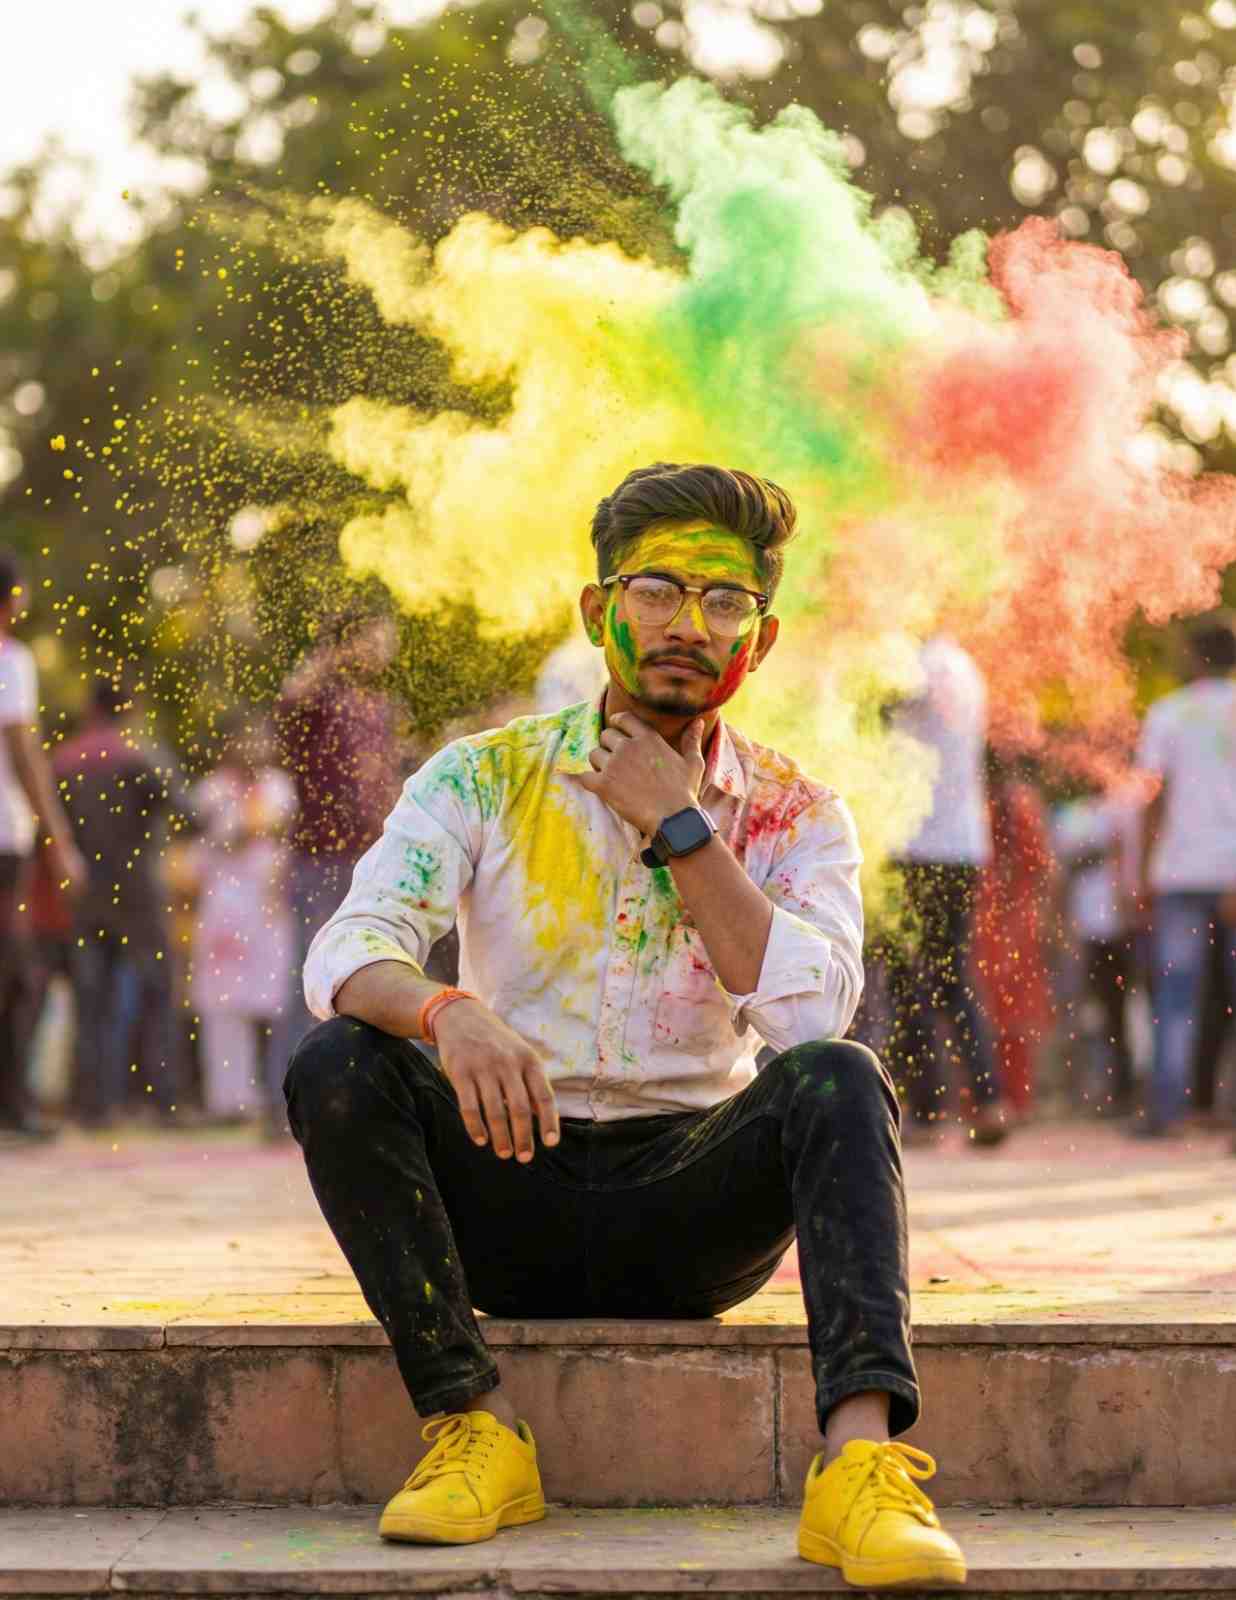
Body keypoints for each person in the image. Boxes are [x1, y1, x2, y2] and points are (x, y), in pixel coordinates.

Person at [285, 464, 968, 1588]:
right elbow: (347, 949)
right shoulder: (484, 776)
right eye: (657, 590)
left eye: (724, 600)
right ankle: (473, 1429)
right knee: (339, 1063)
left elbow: (811, 1015)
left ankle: (858, 1469)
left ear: (761, 638)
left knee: (840, 1076)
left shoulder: (797, 811)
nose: (688, 625)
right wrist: (449, 1011)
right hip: (508, 1177)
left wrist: (681, 826)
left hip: (694, 1210)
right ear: (597, 610)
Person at [270, 608, 401, 1118]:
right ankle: (287, 1100)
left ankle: (361, 1098)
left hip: (374, 858)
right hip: (321, 859)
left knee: (377, 972)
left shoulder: (376, 707)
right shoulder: (316, 701)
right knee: (310, 974)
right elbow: (286, 705)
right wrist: (327, 656)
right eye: (375, 638)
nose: (385, 650)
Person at [883, 635, 1006, 1146]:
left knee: (904, 976)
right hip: (962, 847)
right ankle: (988, 1100)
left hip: (913, 846)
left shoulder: (910, 665)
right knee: (952, 974)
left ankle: (928, 1109)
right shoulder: (965, 666)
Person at [54, 679, 189, 1127]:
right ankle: (163, 1101)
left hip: (85, 895)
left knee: (91, 998)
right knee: (157, 992)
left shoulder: (65, 759)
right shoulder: (140, 755)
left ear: (91, 708)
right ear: (129, 709)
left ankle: (93, 1104)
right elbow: (188, 811)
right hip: (140, 893)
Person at [1134, 616, 1236, 1138]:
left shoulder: (1169, 713)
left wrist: (1142, 870)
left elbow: (1153, 797)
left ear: (1196, 656)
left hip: (1180, 870)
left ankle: (1168, 1111)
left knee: (1175, 997)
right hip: (1231, 867)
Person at [0, 549, 85, 1139]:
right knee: (17, 973)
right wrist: (59, 838)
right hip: (4, 839)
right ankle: (14, 1105)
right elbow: (24, 752)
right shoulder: (11, 658)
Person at [188, 716, 296, 1125]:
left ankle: (279, 1094)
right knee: (223, 1007)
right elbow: (212, 844)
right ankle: (228, 1100)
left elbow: (288, 839)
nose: (252, 747)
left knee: (278, 1002)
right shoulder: (211, 791)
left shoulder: (281, 788)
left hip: (271, 905)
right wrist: (250, 829)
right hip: (223, 905)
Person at [973, 759, 1056, 1120]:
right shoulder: (1017, 802)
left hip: (997, 920)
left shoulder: (993, 803)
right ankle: (1012, 1100)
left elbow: (1038, 867)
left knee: (997, 1012)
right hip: (1013, 921)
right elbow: (1043, 869)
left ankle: (999, 1100)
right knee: (1011, 1013)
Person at [1052, 787, 1140, 1118]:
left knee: (1123, 1012)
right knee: (1088, 1014)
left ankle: (1124, 1089)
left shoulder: (1130, 804)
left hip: (1125, 927)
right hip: (1087, 929)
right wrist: (1061, 925)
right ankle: (1090, 1092)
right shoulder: (1072, 817)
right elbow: (1059, 876)